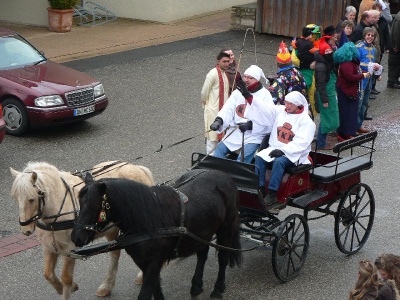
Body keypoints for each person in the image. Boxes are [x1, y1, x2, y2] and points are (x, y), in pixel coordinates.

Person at [243, 91, 315, 212]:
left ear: (298, 105)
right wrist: (249, 97)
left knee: (279, 162)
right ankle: (259, 188)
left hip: (294, 153)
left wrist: (283, 151)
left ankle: (272, 193)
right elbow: (265, 109)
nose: (287, 106)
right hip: (275, 148)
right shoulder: (281, 111)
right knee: (259, 157)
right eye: (286, 103)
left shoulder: (306, 122)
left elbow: (302, 142)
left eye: (290, 104)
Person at [209, 65, 274, 163]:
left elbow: (269, 118)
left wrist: (251, 125)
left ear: (257, 79)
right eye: (245, 76)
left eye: (250, 78)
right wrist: (219, 120)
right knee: (218, 152)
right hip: (236, 132)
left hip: (254, 136)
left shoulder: (265, 95)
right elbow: (228, 109)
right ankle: (218, 175)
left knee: (242, 159)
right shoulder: (237, 92)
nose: (246, 80)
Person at [334, 42, 370, 141]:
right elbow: (350, 77)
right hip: (346, 91)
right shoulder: (347, 64)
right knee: (346, 114)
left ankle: (348, 132)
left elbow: (355, 72)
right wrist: (363, 75)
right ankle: (343, 134)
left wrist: (363, 73)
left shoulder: (351, 62)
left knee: (350, 113)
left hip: (349, 91)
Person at [201, 52, 230, 154]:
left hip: (222, 111)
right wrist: (207, 105)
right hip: (213, 110)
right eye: (224, 61)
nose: (226, 64)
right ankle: (210, 161)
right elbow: (205, 92)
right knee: (212, 138)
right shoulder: (212, 73)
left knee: (221, 137)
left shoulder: (224, 73)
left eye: (228, 61)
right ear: (218, 61)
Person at [356, 27, 383, 133]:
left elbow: (374, 64)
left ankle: (359, 124)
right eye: (368, 35)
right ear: (364, 35)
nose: (370, 37)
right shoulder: (358, 47)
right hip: (360, 79)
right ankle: (352, 126)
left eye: (372, 35)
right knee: (358, 102)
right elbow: (355, 63)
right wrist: (368, 66)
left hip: (369, 79)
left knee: (365, 103)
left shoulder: (373, 49)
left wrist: (377, 72)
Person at [314, 36, 339, 150]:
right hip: (325, 95)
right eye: (327, 51)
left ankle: (321, 141)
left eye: (330, 50)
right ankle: (321, 143)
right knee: (326, 119)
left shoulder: (328, 63)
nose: (329, 52)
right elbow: (320, 85)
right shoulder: (322, 66)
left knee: (328, 118)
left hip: (329, 94)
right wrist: (324, 100)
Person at [296, 24, 321, 116]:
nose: (312, 36)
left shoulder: (299, 42)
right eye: (311, 35)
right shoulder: (309, 44)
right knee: (309, 86)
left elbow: (295, 46)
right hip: (308, 68)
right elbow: (315, 52)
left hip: (303, 66)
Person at [387, 11, 400, 89]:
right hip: (395, 45)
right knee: (395, 63)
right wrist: (397, 45)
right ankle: (392, 81)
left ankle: (394, 80)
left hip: (396, 44)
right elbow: (396, 33)